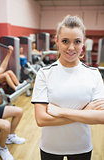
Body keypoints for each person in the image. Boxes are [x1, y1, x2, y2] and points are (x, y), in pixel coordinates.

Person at [31, 15, 104, 160]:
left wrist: (60, 111)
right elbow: (41, 120)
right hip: (50, 147)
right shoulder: (44, 73)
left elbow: (101, 117)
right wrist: (84, 114)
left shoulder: (94, 74)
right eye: (65, 41)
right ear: (56, 41)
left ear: (82, 43)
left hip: (81, 147)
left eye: (77, 42)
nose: (71, 47)